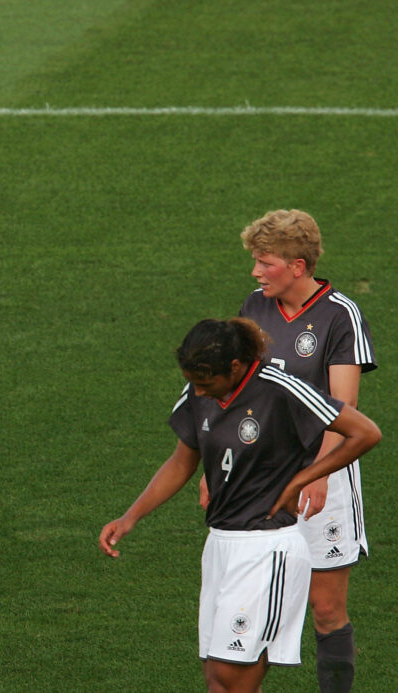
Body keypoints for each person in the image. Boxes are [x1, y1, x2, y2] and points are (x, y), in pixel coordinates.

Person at [99, 318, 380, 693]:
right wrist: (130, 516)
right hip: (220, 545)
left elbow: (365, 432)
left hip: (267, 548)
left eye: (205, 383)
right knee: (219, 679)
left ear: (234, 367)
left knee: (230, 680)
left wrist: (305, 476)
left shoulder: (282, 389)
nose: (198, 393)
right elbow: (182, 461)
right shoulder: (199, 393)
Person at [198, 210, 375, 692]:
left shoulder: (339, 315)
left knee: (326, 607)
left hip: (328, 472)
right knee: (253, 610)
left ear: (297, 266)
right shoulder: (253, 308)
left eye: (265, 262)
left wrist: (318, 473)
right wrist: (214, 469)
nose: (256, 272)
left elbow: (345, 404)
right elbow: (234, 392)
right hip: (261, 476)